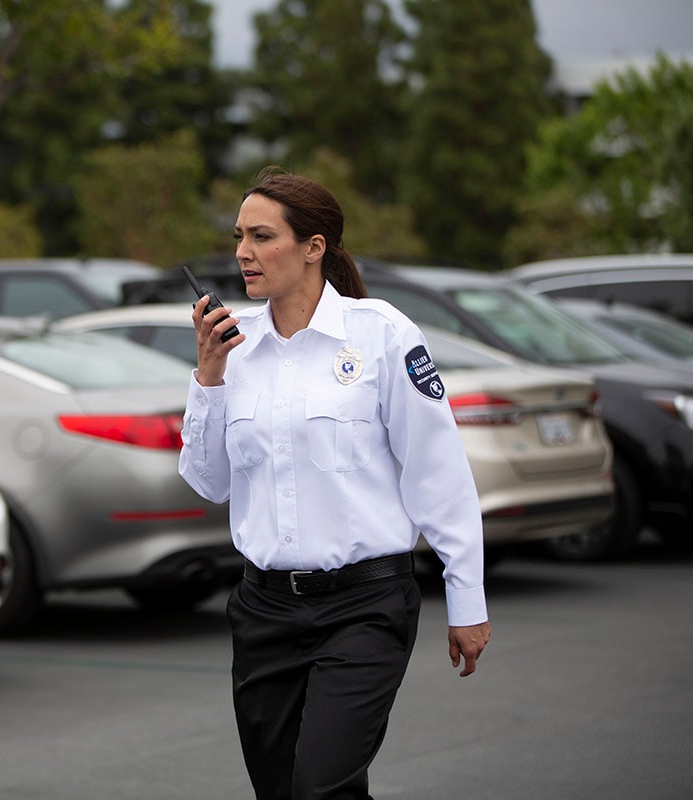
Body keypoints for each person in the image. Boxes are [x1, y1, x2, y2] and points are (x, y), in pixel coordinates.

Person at [178, 166, 491, 800]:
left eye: (263, 237)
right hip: (263, 610)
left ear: (313, 246)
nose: (243, 252)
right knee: (283, 790)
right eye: (239, 236)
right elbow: (209, 484)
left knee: (322, 787)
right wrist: (208, 377)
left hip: (365, 606)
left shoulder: (381, 335)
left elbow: (438, 472)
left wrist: (468, 599)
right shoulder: (235, 348)